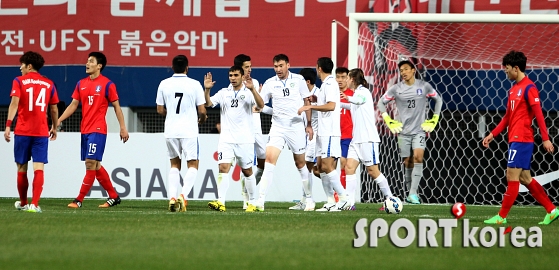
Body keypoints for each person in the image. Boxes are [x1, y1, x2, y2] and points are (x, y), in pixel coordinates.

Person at [482, 50, 558, 225]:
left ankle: (501, 217)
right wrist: (492, 134)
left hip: (522, 138)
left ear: (516, 68)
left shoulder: (529, 87)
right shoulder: (513, 89)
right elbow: (507, 117)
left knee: (511, 176)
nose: (505, 72)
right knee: (525, 178)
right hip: (514, 138)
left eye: (507, 69)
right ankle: (552, 210)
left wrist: (545, 138)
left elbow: (539, 114)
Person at [58, 52, 129, 208]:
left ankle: (78, 200)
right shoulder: (80, 83)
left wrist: (123, 128)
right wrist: (58, 120)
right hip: (85, 129)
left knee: (90, 163)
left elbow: (117, 107)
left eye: (91, 61)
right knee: (94, 165)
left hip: (98, 129)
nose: (87, 63)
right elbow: (73, 105)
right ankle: (113, 196)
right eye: (87, 61)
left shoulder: (107, 84)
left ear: (99, 66)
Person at [377, 60, 442, 204]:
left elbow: (438, 100)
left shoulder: (424, 86)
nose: (403, 72)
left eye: (406, 69)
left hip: (419, 130)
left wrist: (434, 118)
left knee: (419, 157)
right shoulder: (396, 89)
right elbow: (381, 102)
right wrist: (388, 119)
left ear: (413, 70)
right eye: (401, 70)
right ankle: (410, 193)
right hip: (403, 132)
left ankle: (413, 194)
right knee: (408, 162)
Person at [256, 54, 314, 211]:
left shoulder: (299, 80)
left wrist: (308, 124)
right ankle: (260, 201)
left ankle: (309, 199)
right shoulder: (269, 83)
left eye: (281, 65)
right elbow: (260, 104)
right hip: (278, 127)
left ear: (288, 65)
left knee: (301, 164)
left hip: (295, 127)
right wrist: (257, 98)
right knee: (269, 162)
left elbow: (307, 101)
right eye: (275, 66)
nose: (278, 69)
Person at [4, 51, 60, 213]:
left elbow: (14, 104)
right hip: (41, 132)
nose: (20, 68)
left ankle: (23, 202)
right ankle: (34, 205)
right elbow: (54, 109)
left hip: (22, 131)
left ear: (29, 66)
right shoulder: (49, 84)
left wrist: (8, 125)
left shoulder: (19, 81)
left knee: (22, 168)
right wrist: (54, 127)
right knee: (39, 168)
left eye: (22, 64)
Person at [204, 66, 264, 212]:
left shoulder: (249, 92)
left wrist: (253, 90)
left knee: (247, 171)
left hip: (245, 139)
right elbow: (208, 104)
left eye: (236, 75)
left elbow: (261, 106)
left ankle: (252, 202)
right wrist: (207, 90)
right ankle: (220, 201)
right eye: (230, 75)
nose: (232, 78)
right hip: (226, 139)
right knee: (223, 168)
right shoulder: (224, 92)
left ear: (242, 76)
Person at [156, 55, 207, 212]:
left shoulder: (164, 84)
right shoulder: (194, 84)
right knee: (193, 164)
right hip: (189, 130)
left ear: (172, 68)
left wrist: (171, 115)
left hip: (171, 130)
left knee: (174, 164)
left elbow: (159, 109)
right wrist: (203, 118)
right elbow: (202, 110)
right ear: (187, 67)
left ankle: (172, 197)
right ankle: (183, 196)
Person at [299, 57, 349, 212]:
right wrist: (315, 100)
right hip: (323, 132)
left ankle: (344, 198)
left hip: (330, 132)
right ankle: (330, 201)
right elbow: (326, 103)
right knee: (320, 167)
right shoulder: (325, 85)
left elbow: (331, 106)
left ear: (318, 68)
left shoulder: (331, 84)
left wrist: (310, 108)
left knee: (327, 165)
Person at [340, 68, 395, 209]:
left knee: (372, 171)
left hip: (367, 139)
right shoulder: (356, 94)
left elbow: (359, 100)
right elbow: (352, 105)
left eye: (346, 78)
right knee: (349, 167)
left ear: (352, 79)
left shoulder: (363, 92)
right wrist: (337, 103)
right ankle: (350, 203)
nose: (345, 80)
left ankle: (391, 199)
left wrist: (348, 98)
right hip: (356, 140)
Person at [233, 54, 265, 209]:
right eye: (246, 67)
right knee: (247, 164)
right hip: (244, 130)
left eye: (250, 66)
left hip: (257, 127)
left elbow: (259, 106)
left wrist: (257, 98)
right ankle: (246, 198)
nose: (250, 69)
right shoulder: (233, 85)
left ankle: (248, 190)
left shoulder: (255, 82)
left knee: (264, 162)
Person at [288, 68, 319, 211]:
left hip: (316, 136)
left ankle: (308, 200)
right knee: (311, 169)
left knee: (309, 168)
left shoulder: (317, 94)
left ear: (307, 82)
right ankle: (305, 199)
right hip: (307, 136)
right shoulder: (302, 95)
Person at [337, 67, 353, 202]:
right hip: (333, 134)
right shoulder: (332, 95)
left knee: (343, 163)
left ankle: (342, 195)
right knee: (324, 167)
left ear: (348, 78)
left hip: (347, 134)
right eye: (338, 77)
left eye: (343, 77)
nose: (340, 80)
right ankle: (335, 193)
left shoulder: (352, 95)